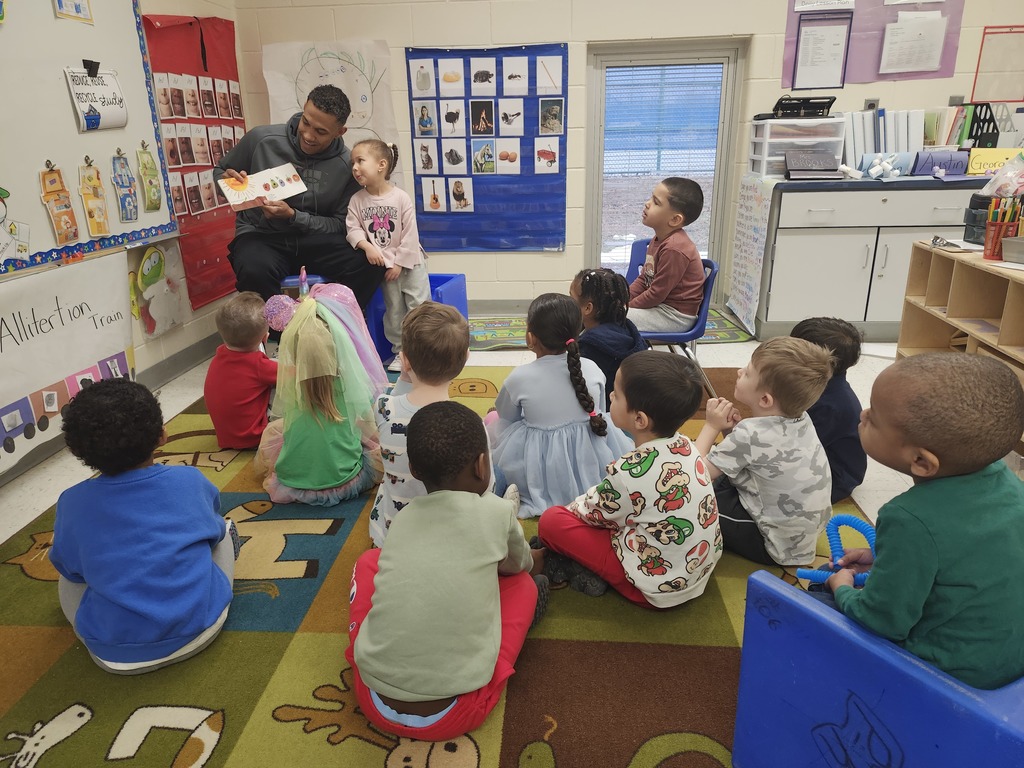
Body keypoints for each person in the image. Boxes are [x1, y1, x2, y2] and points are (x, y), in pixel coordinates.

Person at [346, 401, 547, 741]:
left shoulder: (405, 516)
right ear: (482, 465)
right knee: (525, 587)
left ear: (415, 468)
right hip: (458, 710)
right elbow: (518, 566)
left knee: (369, 562)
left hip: (371, 696)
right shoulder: (498, 513)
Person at [823, 353, 1024, 690]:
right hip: (1010, 657)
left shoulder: (908, 518)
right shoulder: (1006, 481)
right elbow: (974, 554)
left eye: (874, 418)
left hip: (953, 672)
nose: (863, 414)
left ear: (920, 461)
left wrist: (841, 589)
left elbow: (881, 621)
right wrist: (888, 559)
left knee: (818, 601)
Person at [50, 378, 236, 674]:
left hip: (113, 655)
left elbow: (70, 569)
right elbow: (211, 537)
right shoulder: (188, 481)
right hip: (203, 626)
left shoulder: (71, 503)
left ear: (76, 451)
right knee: (221, 531)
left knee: (66, 577)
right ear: (162, 435)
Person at [538, 351, 722, 607]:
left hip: (651, 590)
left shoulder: (627, 473)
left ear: (639, 419)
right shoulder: (687, 446)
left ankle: (579, 568)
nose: (611, 396)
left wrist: (570, 511)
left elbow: (590, 513)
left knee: (551, 522)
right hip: (697, 570)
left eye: (617, 393)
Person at [213, 84, 385, 308]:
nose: (308, 135)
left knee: (373, 263)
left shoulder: (348, 166)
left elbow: (340, 225)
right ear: (303, 110)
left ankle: (332, 326)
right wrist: (229, 181)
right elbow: (220, 173)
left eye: (321, 132)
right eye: (306, 122)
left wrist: (294, 216)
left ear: (340, 132)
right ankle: (280, 337)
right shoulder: (261, 139)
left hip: (314, 240)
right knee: (253, 269)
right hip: (262, 236)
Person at [488, 293, 632, 518]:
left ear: (530, 337)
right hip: (593, 453)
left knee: (493, 421)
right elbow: (600, 411)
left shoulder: (519, 378)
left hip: (540, 463)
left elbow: (508, 417)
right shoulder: (593, 369)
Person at [695, 337, 833, 567]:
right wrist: (731, 432)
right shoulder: (802, 417)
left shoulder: (750, 434)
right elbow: (760, 458)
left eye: (747, 373)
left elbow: (695, 477)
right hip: (806, 534)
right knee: (723, 478)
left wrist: (711, 426)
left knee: (689, 500)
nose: (739, 372)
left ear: (765, 399)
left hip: (770, 544)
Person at [255, 283, 386, 505]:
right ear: (342, 348)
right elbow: (369, 428)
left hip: (291, 483)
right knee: (370, 439)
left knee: (278, 430)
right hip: (346, 481)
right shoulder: (349, 385)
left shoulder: (293, 386)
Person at [370, 302, 470, 547]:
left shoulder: (383, 407)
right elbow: (483, 484)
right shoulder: (467, 422)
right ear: (465, 358)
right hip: (447, 535)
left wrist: (405, 374)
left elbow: (397, 400)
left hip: (393, 535)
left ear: (404, 361)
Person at [345, 140, 429, 372]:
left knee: (418, 306)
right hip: (383, 266)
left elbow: (411, 233)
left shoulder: (401, 197)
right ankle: (400, 352)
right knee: (394, 311)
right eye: (353, 162)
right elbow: (353, 229)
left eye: (360, 161)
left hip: (410, 263)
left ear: (381, 165)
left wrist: (400, 263)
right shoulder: (357, 200)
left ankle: (421, 351)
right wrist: (367, 247)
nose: (355, 167)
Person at [790, 317, 867, 503]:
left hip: (832, 480)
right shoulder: (821, 387)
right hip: (814, 462)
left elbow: (794, 448)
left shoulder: (829, 404)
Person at [628, 177, 706, 333]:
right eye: (651, 197)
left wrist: (626, 307)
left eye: (656, 202)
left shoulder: (674, 248)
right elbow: (645, 279)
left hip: (674, 316)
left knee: (607, 317)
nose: (647, 204)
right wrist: (623, 299)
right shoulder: (658, 240)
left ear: (675, 219)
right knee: (605, 312)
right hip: (659, 308)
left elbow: (656, 294)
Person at [204, 291, 278, 450]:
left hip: (226, 437)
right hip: (255, 437)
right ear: (265, 337)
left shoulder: (218, 357)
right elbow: (293, 373)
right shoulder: (258, 364)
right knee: (287, 384)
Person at [570, 267, 647, 409]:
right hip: (633, 411)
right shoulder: (627, 327)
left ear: (587, 308)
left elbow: (578, 391)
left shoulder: (589, 346)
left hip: (606, 416)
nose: (568, 303)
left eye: (571, 298)